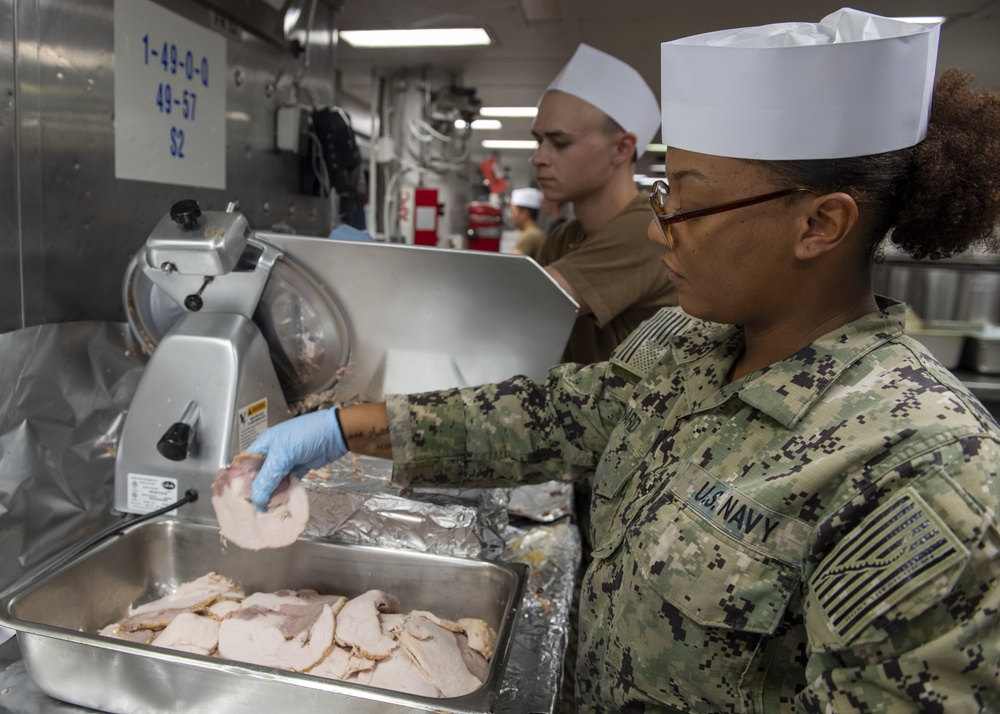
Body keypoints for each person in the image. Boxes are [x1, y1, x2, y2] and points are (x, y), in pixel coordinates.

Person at [247, 8, 1000, 712]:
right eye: (662, 193)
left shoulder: (921, 469)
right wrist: (347, 427)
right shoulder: (688, 347)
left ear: (819, 223)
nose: (656, 230)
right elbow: (545, 416)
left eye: (687, 203)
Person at [531, 43, 677, 364]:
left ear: (622, 149)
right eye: (538, 141)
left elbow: (520, 305)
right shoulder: (562, 240)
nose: (538, 158)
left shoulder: (647, 230)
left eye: (560, 143)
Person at [508, 187, 547, 260]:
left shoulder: (529, 236)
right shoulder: (536, 233)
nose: (511, 217)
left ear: (524, 213)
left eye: (513, 212)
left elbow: (513, 265)